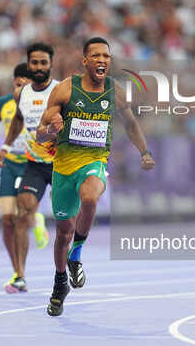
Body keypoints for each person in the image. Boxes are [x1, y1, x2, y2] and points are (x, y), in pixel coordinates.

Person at [36, 37, 155, 316]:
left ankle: (76, 253)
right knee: (62, 232)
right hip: (63, 167)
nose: (102, 60)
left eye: (107, 56)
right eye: (96, 56)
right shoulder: (65, 90)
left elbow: (131, 124)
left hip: (95, 160)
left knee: (90, 195)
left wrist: (145, 152)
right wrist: (51, 129)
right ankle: (59, 283)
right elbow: (40, 131)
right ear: (85, 61)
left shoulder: (116, 91)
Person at [0, 62, 49, 294]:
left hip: (31, 163)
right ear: (13, 83)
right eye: (17, 84)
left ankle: (35, 219)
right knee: (7, 220)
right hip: (10, 165)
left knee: (22, 215)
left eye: (26, 84)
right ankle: (18, 274)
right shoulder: (2, 104)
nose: (21, 88)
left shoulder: (42, 101)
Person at [0, 43, 60, 292]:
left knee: (67, 220)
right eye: (35, 63)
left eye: (44, 63)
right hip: (35, 165)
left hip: (61, 164)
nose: (39, 67)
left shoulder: (62, 90)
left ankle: (69, 265)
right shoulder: (23, 94)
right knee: (23, 212)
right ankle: (19, 275)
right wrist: (5, 148)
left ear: (51, 64)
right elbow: (17, 123)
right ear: (29, 64)